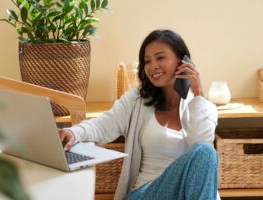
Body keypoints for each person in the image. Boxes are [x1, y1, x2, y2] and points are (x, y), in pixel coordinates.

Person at [59, 29, 219, 200]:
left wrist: (198, 93)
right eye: (147, 61)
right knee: (205, 152)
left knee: (205, 151)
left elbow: (201, 149)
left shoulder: (203, 107)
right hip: (144, 193)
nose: (153, 66)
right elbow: (102, 125)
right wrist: (73, 133)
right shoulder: (136, 100)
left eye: (160, 57)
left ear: (182, 62)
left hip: (184, 195)